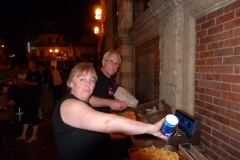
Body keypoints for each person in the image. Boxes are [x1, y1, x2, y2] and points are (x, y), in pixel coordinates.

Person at [52, 63, 168, 160]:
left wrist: (111, 103)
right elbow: (107, 123)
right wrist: (151, 128)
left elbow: (92, 100)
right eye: (82, 79)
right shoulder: (70, 105)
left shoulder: (80, 99)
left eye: (92, 80)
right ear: (70, 83)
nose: (88, 84)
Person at [16, 61, 42, 143]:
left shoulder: (38, 73)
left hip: (34, 97)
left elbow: (36, 83)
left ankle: (34, 136)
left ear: (34, 65)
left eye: (30, 64)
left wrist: (25, 82)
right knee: (25, 115)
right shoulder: (29, 73)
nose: (28, 65)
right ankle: (23, 135)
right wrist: (21, 84)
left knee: (34, 115)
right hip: (27, 97)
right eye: (28, 64)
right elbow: (28, 83)